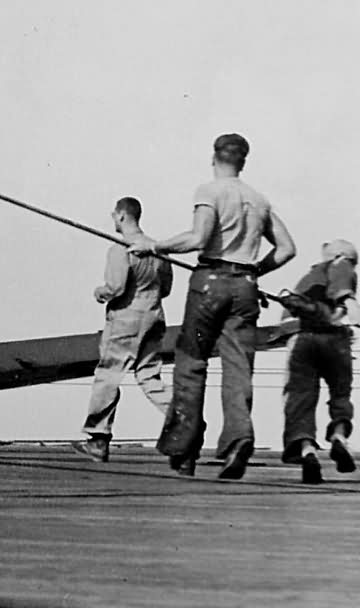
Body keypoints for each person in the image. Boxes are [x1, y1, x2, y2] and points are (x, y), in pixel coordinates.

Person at [130, 134, 296, 478]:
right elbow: (287, 249)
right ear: (244, 161)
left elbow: (198, 239)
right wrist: (254, 272)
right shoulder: (259, 200)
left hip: (209, 283)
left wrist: (156, 247)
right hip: (245, 287)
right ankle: (239, 439)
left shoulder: (210, 191)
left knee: (191, 362)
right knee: (238, 367)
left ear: (214, 158)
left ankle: (185, 449)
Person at [71, 197, 174, 462]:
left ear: (122, 216)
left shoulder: (120, 249)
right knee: (150, 377)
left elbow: (116, 287)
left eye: (114, 215)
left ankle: (98, 438)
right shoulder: (159, 249)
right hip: (154, 316)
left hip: (126, 320)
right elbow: (167, 289)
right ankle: (185, 418)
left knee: (108, 374)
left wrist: (100, 292)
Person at [278, 239, 358, 483]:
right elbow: (343, 293)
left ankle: (307, 450)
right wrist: (353, 313)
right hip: (334, 339)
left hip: (300, 340)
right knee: (340, 395)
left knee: (299, 398)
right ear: (343, 256)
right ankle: (338, 436)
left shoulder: (308, 278)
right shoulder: (342, 265)